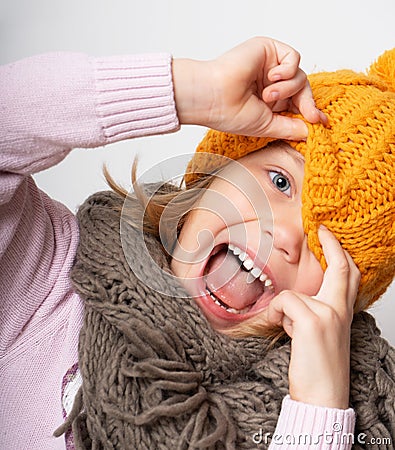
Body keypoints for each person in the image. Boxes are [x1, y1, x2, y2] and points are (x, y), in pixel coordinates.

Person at [0, 36, 393, 449]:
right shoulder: (48, 276)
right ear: (216, 174)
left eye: (329, 249)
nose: (289, 237)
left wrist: (320, 408)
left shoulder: (349, 414)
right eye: (280, 181)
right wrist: (191, 90)